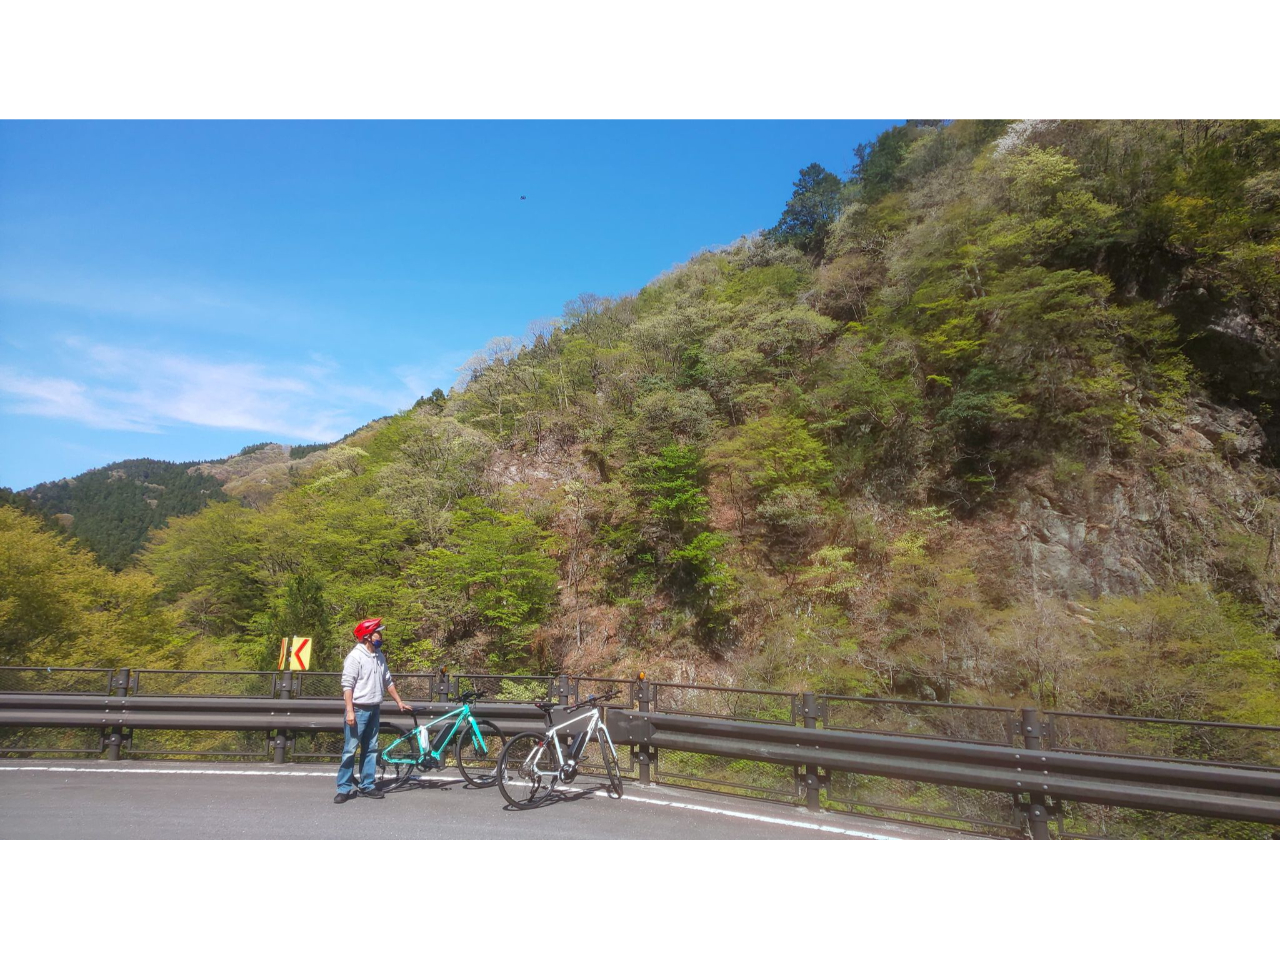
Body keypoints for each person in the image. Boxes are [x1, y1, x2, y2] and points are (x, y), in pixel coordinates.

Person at [335, 617, 412, 803]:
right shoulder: (355, 656)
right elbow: (347, 686)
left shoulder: (379, 655)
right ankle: (343, 788)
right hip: (358, 710)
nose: (381, 635)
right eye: (378, 632)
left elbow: (388, 681)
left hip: (374, 709)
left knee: (370, 749)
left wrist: (399, 701)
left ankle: (367, 785)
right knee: (350, 750)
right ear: (368, 636)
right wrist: (350, 711)